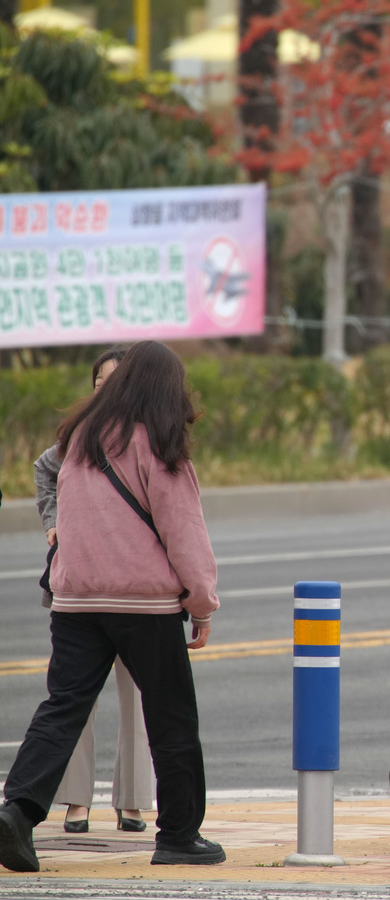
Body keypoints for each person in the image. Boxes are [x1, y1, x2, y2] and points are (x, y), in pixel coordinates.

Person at [0, 341, 223, 873]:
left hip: (74, 599)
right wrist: (203, 602)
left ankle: (17, 812)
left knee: (63, 708)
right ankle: (178, 837)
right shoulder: (160, 442)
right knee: (170, 715)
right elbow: (183, 532)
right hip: (142, 603)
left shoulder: (79, 438)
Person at [33, 346, 156, 835]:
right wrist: (53, 521)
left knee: (139, 697)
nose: (107, 389)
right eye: (99, 382)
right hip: (80, 590)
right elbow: (44, 470)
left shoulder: (151, 438)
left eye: (117, 380)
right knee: (73, 698)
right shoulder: (77, 439)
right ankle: (75, 801)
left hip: (136, 589)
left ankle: (132, 802)